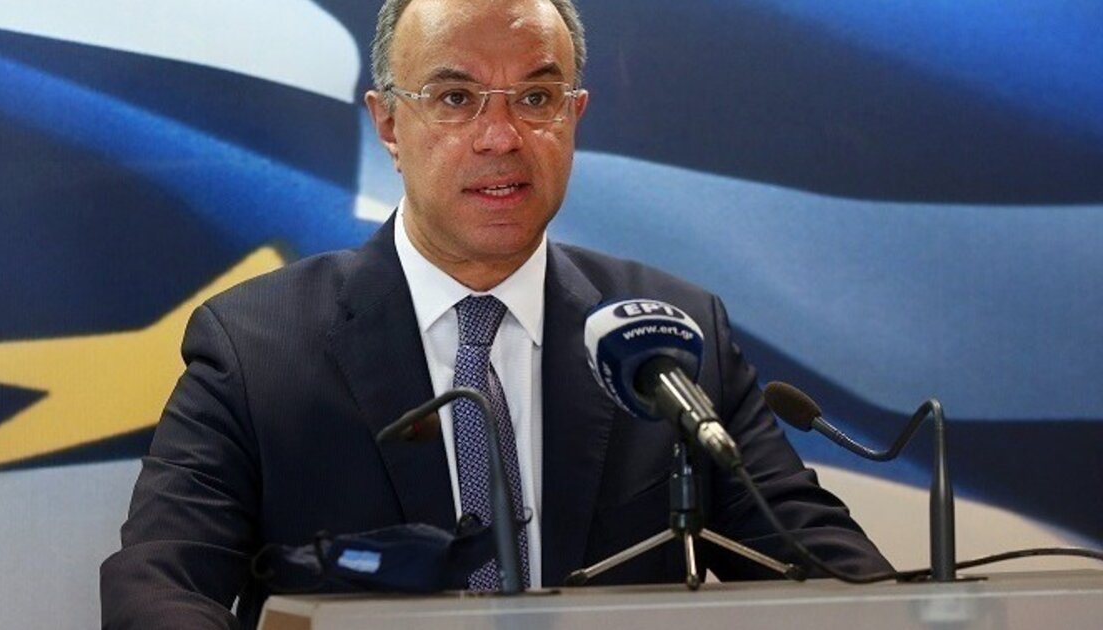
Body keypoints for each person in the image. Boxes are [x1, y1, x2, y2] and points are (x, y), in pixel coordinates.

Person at [100, 0, 891, 627]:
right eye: (455, 98)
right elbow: (160, 585)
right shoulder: (258, 348)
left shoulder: (668, 337)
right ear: (388, 124)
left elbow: (820, 566)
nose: (502, 137)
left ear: (574, 115)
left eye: (537, 98)